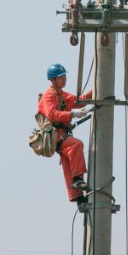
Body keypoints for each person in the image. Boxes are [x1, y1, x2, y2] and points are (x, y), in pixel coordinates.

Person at [37, 63, 93, 202]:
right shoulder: (48, 96)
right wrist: (72, 114)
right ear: (53, 80)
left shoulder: (62, 95)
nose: (64, 79)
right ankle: (78, 180)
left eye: (64, 76)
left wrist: (98, 87)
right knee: (76, 145)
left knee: (68, 160)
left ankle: (77, 196)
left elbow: (79, 101)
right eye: (61, 77)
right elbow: (52, 114)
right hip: (53, 134)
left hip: (61, 134)